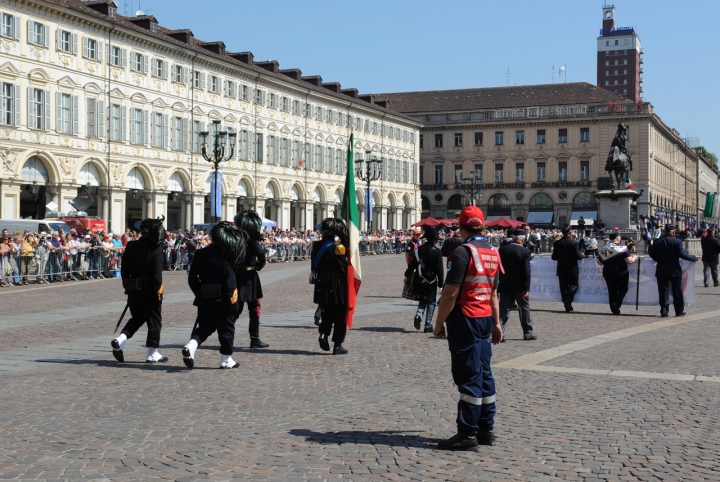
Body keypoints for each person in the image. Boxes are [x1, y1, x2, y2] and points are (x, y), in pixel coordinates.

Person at [433, 205, 503, 451]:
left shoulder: (462, 252)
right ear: (482, 226)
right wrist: (496, 323)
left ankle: (467, 433)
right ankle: (486, 429)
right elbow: (494, 293)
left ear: (460, 227)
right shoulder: (493, 252)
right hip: (485, 317)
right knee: (484, 372)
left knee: (468, 374)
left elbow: (451, 293)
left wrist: (439, 322)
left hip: (465, 317)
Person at [182, 222, 245, 369]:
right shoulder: (227, 255)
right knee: (226, 329)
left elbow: (192, 278)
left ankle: (191, 345)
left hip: (205, 296)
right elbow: (230, 281)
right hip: (223, 298)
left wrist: (200, 292)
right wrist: (234, 303)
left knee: (204, 327)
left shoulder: (201, 253)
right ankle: (226, 358)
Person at [111, 217, 167, 363]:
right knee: (154, 320)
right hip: (149, 289)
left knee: (137, 317)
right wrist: (158, 292)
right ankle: (152, 352)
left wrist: (127, 286)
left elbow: (124, 269)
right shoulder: (156, 248)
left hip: (133, 287)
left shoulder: (131, 245)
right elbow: (156, 274)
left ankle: (121, 339)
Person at [312, 218, 349, 355]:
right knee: (339, 315)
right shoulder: (338, 248)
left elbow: (313, 267)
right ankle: (337, 344)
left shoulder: (316, 246)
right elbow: (343, 269)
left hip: (321, 284)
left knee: (326, 312)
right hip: (337, 284)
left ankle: (323, 333)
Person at [233, 210, 269, 348]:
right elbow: (262, 257)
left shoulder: (235, 239)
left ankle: (227, 335)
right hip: (250, 277)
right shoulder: (253, 241)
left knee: (236, 309)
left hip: (236, 276)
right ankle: (254, 338)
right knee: (254, 309)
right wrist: (257, 267)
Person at [649, 224, 700, 317]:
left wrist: (658, 259)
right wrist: (693, 257)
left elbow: (652, 254)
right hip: (674, 270)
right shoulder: (677, 242)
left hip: (661, 270)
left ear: (664, 232)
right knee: (677, 291)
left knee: (663, 291)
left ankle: (664, 311)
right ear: (673, 232)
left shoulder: (657, 242)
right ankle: (679, 310)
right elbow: (683, 255)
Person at [498, 228, 535, 340]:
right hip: (520, 285)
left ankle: (500, 333)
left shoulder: (502, 250)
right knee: (524, 308)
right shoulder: (525, 251)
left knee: (504, 309)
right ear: (523, 240)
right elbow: (527, 271)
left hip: (505, 284)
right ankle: (527, 332)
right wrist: (527, 287)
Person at [407, 226, 444, 333]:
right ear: (433, 239)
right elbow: (439, 269)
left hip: (419, 278)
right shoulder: (437, 251)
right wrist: (441, 284)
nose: (437, 240)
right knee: (431, 302)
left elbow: (412, 264)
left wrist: (407, 273)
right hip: (431, 280)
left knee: (422, 300)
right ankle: (428, 324)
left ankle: (419, 315)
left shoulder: (418, 250)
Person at [597, 230, 637, 315]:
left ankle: (614, 309)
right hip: (621, 273)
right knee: (624, 288)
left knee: (612, 291)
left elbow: (599, 262)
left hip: (608, 273)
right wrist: (634, 257)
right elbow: (629, 261)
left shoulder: (605, 248)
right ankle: (617, 303)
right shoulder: (622, 248)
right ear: (618, 238)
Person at [551, 224, 584, 312]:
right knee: (574, 285)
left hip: (561, 268)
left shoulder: (557, 243)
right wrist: (582, 255)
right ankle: (568, 300)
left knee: (563, 287)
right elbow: (579, 256)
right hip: (572, 268)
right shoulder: (574, 243)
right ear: (570, 232)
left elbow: (554, 257)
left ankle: (566, 303)